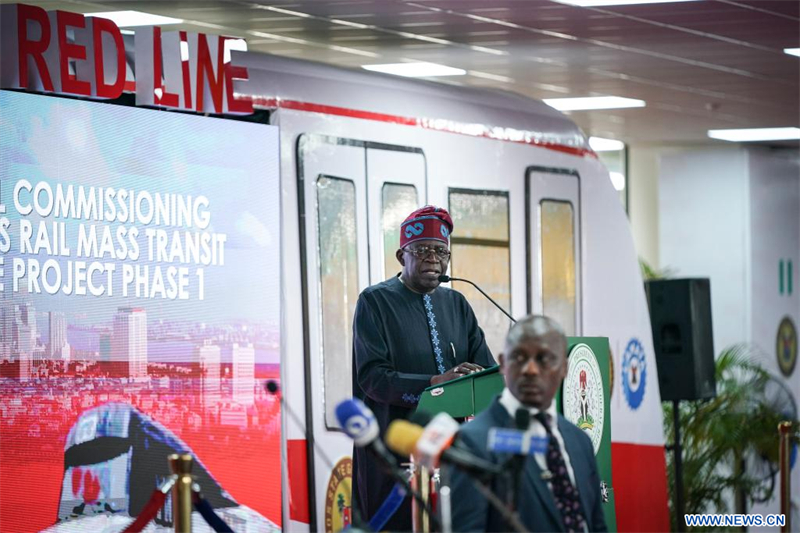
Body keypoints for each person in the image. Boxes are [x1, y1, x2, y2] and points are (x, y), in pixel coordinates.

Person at [351, 205, 495, 531]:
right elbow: (372, 378)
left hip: (454, 454)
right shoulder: (375, 302)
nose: (434, 259)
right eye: (424, 251)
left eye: (442, 252)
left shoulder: (457, 304)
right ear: (402, 256)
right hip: (395, 452)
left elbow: (486, 369)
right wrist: (434, 383)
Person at [449, 315, 608, 532]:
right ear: (503, 364)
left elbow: (596, 524)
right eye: (519, 358)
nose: (530, 370)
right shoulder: (472, 441)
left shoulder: (579, 440)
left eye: (544, 358)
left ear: (564, 367)